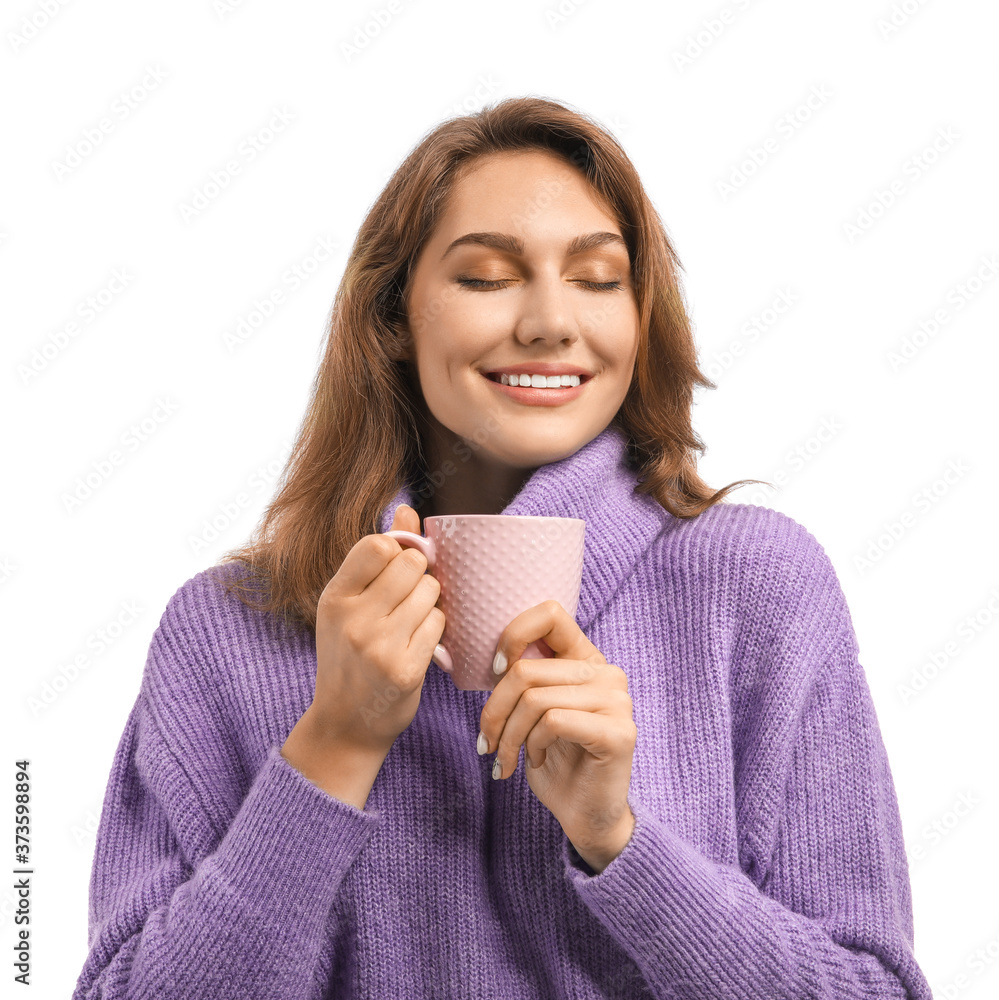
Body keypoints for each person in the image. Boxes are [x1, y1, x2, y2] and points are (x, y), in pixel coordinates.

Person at [72, 97, 933, 999]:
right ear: (392, 315)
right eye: (486, 277)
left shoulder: (759, 587)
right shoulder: (225, 630)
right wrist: (332, 747)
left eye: (599, 279)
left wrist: (620, 843)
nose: (550, 322)